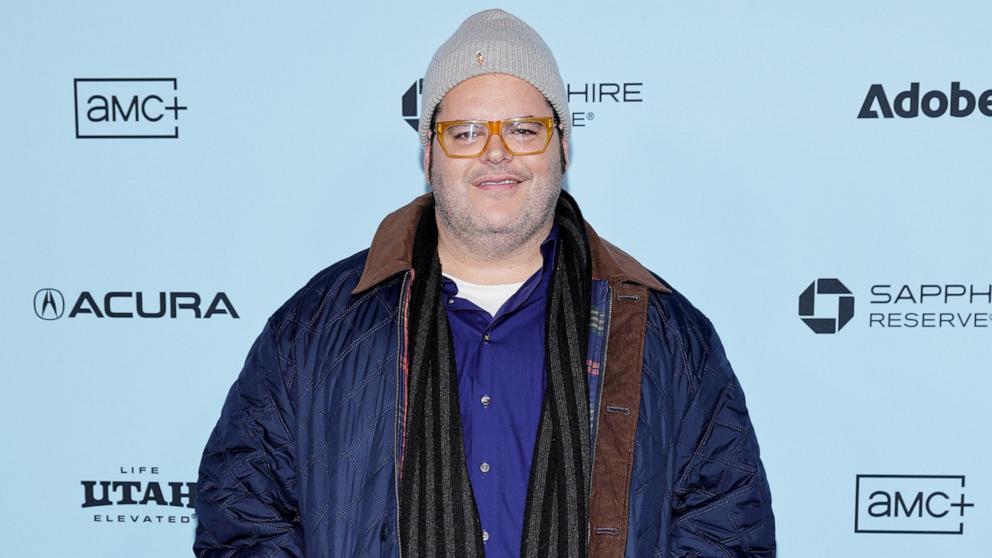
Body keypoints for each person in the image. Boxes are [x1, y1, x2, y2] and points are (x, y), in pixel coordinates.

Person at [193, 8, 775, 558]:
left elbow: (726, 526)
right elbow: (243, 514)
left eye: (524, 129)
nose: (496, 152)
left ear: (563, 147)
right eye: (466, 132)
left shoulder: (660, 332)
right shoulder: (319, 327)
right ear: (428, 154)